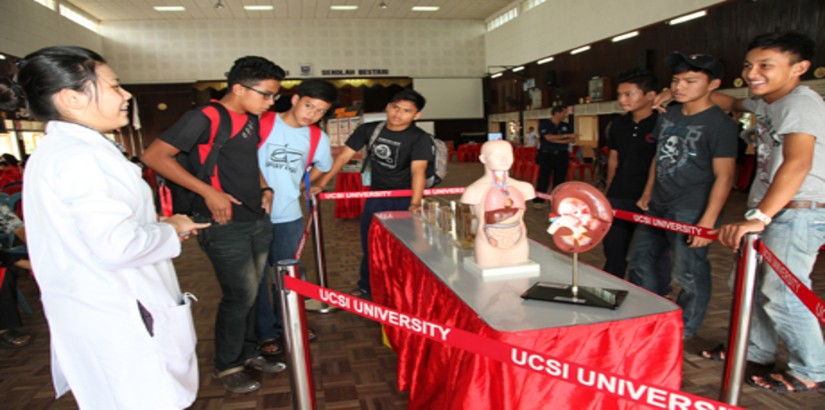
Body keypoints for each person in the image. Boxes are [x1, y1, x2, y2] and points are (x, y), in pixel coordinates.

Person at [11, 45, 208, 409]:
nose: (126, 95)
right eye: (114, 86)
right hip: (122, 314)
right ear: (71, 97)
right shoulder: (83, 158)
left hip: (95, 311)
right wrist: (173, 228)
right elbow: (118, 246)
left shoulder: (58, 152)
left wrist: (157, 226)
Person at [142, 56, 287, 394]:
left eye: (273, 97)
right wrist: (209, 192)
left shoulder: (250, 118)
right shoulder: (204, 117)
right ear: (239, 88)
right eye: (266, 95)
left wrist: (264, 187)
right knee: (239, 295)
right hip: (223, 224)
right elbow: (154, 157)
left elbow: (246, 163)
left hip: (255, 217)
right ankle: (228, 365)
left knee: (253, 293)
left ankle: (249, 351)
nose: (270, 103)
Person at [713, 32, 825, 393]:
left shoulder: (800, 103)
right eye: (748, 65)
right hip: (772, 210)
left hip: (797, 211)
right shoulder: (767, 103)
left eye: (765, 65)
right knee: (745, 283)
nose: (752, 72)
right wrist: (686, 90)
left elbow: (798, 163)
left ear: (800, 68)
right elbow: (733, 103)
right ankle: (757, 350)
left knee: (784, 291)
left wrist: (759, 217)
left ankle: (813, 369)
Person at [626, 52, 737, 340]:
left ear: (713, 84)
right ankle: (650, 316)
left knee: (687, 273)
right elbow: (659, 156)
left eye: (690, 81)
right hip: (657, 204)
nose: (679, 87)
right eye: (676, 81)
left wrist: (707, 222)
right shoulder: (669, 115)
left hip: (692, 209)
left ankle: (685, 329)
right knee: (639, 261)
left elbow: (725, 177)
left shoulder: (720, 125)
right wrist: (648, 192)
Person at [312, 90, 433, 298]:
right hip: (377, 196)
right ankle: (367, 287)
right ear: (387, 107)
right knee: (371, 243)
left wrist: (415, 202)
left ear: (416, 115)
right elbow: (342, 158)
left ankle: (404, 289)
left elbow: (418, 171)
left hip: (404, 197)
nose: (398, 114)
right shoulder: (369, 130)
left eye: (406, 111)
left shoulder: (419, 138)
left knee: (407, 247)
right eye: (395, 107)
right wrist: (322, 183)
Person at [255, 79, 337, 355]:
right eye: (308, 106)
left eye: (320, 112)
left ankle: (289, 323)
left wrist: (302, 186)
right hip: (252, 215)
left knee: (287, 274)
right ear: (294, 99)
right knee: (255, 277)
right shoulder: (261, 121)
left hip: (288, 215)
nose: (311, 115)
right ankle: (265, 332)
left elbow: (323, 167)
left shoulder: (317, 137)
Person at [601, 68, 661, 279]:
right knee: (613, 249)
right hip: (619, 194)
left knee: (644, 255)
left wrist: (648, 193)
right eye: (619, 94)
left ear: (651, 95)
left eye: (629, 94)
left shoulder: (663, 124)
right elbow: (614, 159)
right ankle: (612, 289)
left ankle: (647, 296)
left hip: (649, 199)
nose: (622, 99)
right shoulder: (618, 124)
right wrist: (609, 191)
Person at [460, 140, 535, 268]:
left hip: (519, 240)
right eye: (497, 155)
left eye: (508, 154)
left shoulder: (524, 187)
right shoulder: (474, 190)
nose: (504, 159)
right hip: (487, 242)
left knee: (521, 279)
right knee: (488, 283)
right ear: (483, 159)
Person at [533, 105, 576, 207]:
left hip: (562, 155)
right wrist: (565, 137)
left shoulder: (566, 125)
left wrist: (555, 139)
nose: (566, 115)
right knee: (544, 178)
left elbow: (572, 140)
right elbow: (548, 137)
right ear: (557, 113)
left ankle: (556, 200)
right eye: (564, 113)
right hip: (547, 154)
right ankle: (539, 200)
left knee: (560, 178)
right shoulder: (545, 124)